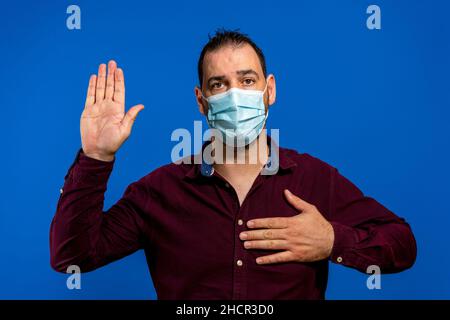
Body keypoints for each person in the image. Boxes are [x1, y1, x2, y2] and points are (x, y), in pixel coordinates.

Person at [50, 29, 416, 299]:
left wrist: (334, 241)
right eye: (219, 84)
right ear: (201, 101)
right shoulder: (158, 192)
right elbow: (72, 258)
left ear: (269, 90)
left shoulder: (315, 180)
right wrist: (96, 157)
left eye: (247, 80)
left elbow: (402, 244)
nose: (235, 94)